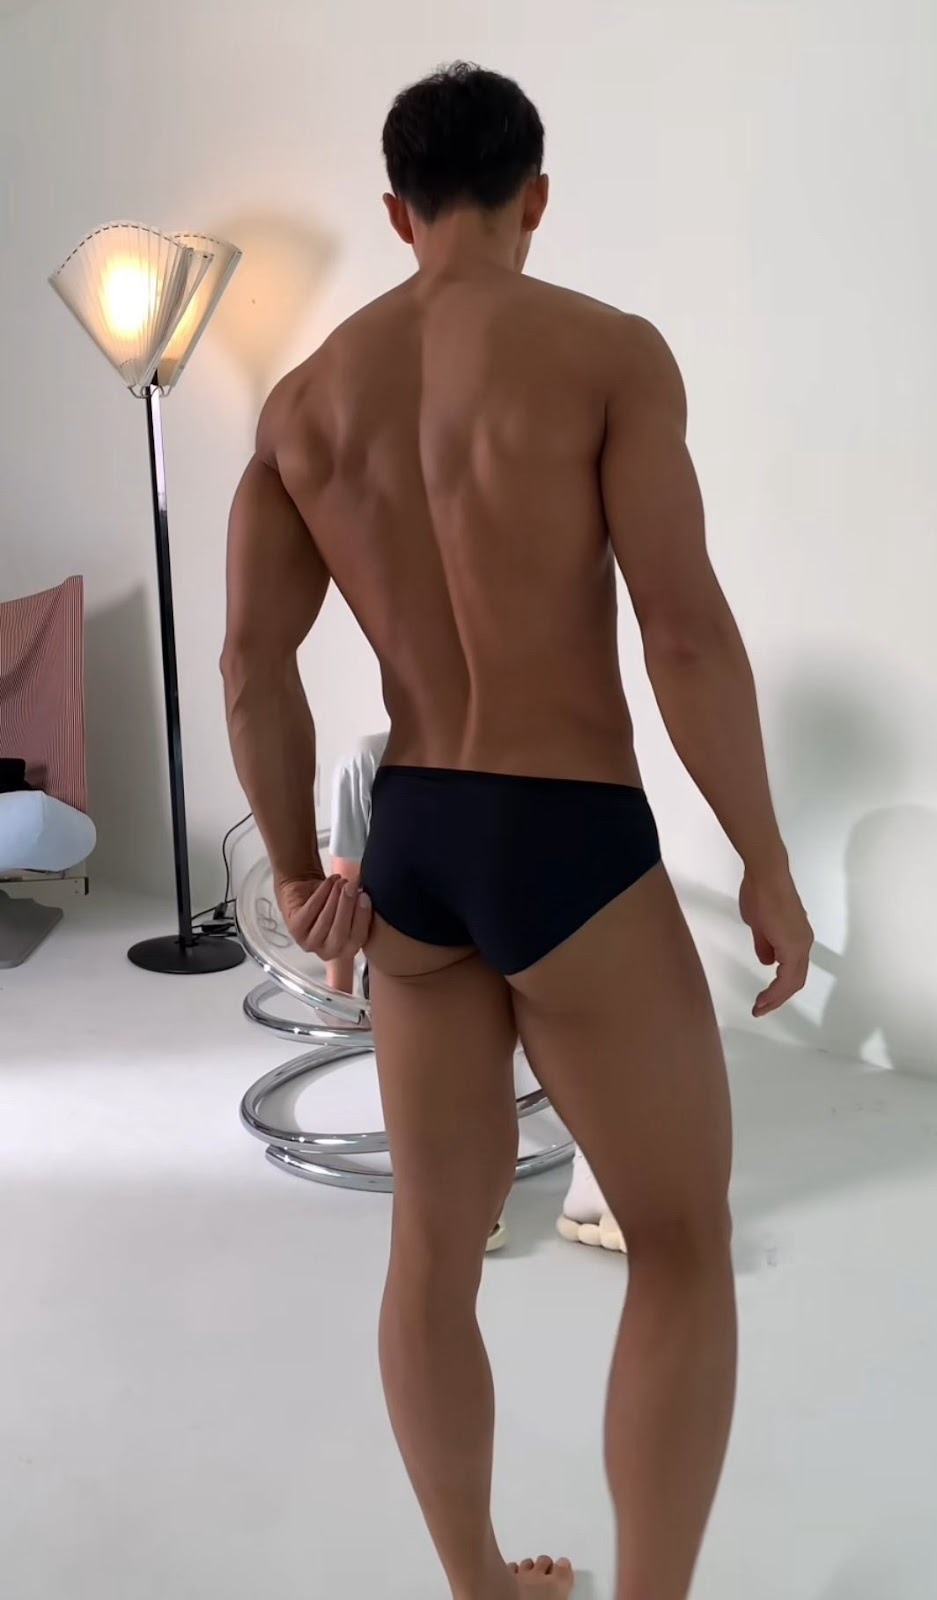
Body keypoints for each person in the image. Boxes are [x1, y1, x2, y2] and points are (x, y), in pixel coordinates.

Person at [222, 62, 813, 1600]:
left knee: (433, 1250)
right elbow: (683, 632)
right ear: (534, 196)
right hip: (570, 841)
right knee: (678, 1244)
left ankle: (482, 1587)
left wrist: (294, 868)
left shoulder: (304, 403)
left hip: (415, 845)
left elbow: (252, 667)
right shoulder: (607, 354)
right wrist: (761, 855)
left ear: (396, 211)